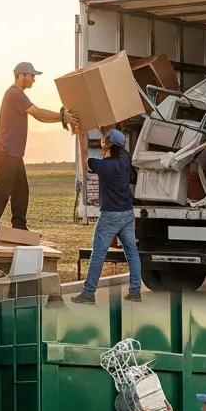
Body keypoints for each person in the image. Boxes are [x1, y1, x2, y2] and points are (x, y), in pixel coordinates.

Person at [0, 61, 76, 234]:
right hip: (6, 151)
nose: (34, 79)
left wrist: (62, 118)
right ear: (21, 76)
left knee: (21, 191)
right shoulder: (14, 94)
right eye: (31, 75)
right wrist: (63, 116)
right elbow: (38, 112)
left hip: (13, 153)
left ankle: (19, 227)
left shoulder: (18, 95)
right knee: (2, 191)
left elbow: (40, 117)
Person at [72, 128, 142, 304]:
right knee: (132, 252)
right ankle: (135, 291)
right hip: (127, 213)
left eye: (104, 140)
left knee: (98, 254)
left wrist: (82, 136)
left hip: (110, 216)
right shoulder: (125, 159)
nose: (101, 141)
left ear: (109, 144)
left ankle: (88, 293)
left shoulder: (105, 167)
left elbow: (86, 159)